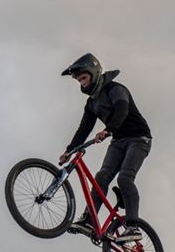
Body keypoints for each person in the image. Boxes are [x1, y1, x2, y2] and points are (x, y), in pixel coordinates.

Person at [59, 53, 152, 233]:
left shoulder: (115, 89)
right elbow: (83, 129)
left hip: (139, 139)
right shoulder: (91, 103)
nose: (82, 83)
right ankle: (89, 220)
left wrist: (108, 130)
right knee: (101, 176)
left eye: (84, 78)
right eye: (79, 81)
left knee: (124, 178)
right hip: (118, 141)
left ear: (94, 73)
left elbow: (122, 111)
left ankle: (133, 228)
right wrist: (68, 151)